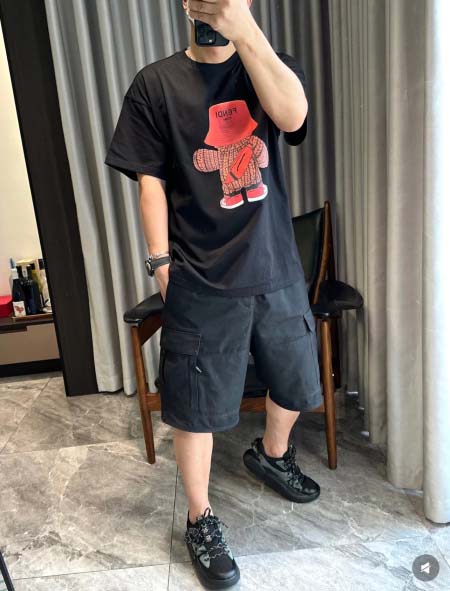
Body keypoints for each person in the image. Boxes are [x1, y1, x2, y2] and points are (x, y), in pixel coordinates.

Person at [105, 1, 323, 588]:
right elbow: (150, 181)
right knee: (194, 403)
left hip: (275, 264)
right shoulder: (155, 84)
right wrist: (160, 263)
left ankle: (271, 455)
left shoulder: (269, 64)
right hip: (199, 273)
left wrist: (245, 30)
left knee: (298, 379)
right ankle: (199, 518)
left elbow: (293, 115)